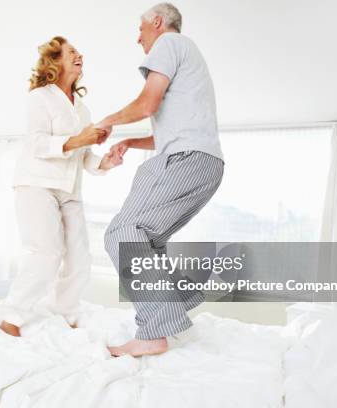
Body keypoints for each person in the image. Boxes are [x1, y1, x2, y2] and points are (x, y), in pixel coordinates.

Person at [97, 3, 225, 356]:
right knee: (147, 240)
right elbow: (168, 129)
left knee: (122, 233)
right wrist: (131, 141)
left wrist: (107, 122)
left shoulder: (169, 43)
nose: (138, 37)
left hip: (185, 159)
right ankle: (177, 301)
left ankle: (155, 331)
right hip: (204, 162)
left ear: (157, 22)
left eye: (140, 28)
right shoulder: (189, 56)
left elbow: (147, 103)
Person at [0, 36, 122, 337]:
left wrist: (105, 162)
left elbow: (83, 156)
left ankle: (64, 310)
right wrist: (82, 139)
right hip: (36, 185)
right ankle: (11, 316)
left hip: (70, 190)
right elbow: (37, 143)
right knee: (46, 253)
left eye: (80, 51)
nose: (80, 55)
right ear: (55, 61)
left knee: (80, 256)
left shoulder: (83, 109)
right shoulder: (39, 97)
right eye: (72, 52)